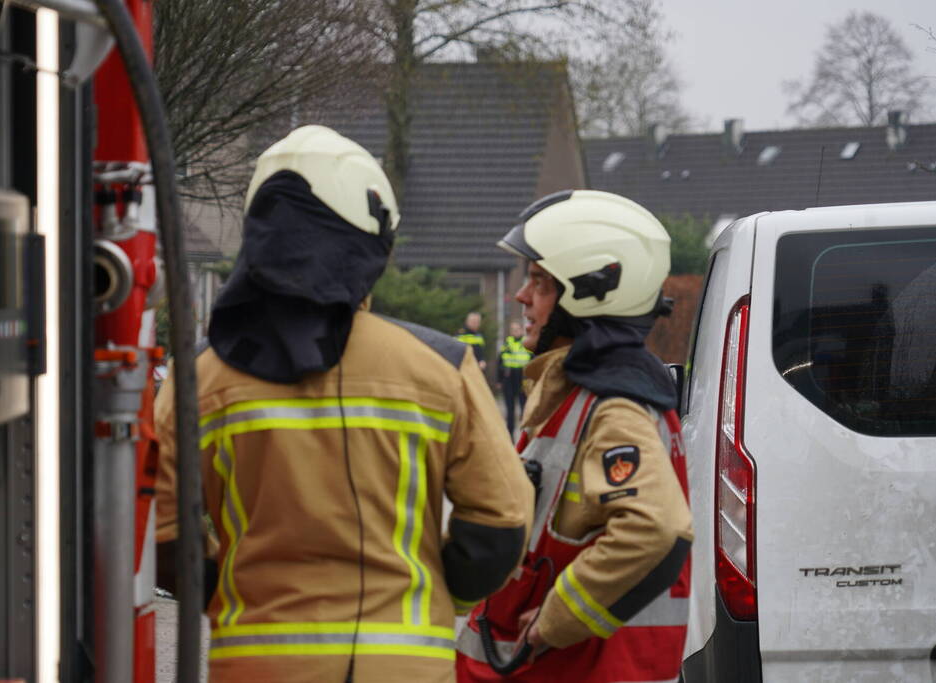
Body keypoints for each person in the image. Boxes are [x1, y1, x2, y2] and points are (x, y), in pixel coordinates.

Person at [153, 126, 533, 683]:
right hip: (406, 666)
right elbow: (502, 525)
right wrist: (434, 587)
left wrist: (229, 583)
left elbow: (162, 535)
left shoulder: (199, 378)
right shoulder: (441, 366)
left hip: (258, 665)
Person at [456, 190, 693, 683]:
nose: (521, 296)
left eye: (540, 283)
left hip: (577, 669)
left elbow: (655, 529)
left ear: (589, 292)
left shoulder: (615, 409)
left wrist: (554, 620)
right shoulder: (584, 393)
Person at [497, 320, 531, 437]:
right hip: (509, 378)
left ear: (521, 330)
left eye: (517, 329)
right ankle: (510, 437)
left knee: (524, 410)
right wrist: (499, 380)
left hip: (523, 379)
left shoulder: (527, 343)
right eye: (512, 330)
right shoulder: (506, 344)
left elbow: (534, 361)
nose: (514, 332)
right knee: (510, 411)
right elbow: (499, 361)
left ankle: (524, 437)